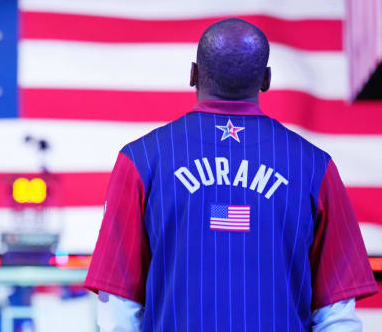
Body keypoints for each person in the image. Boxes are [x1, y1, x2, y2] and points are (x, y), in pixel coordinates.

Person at [84, 18, 378, 331]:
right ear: (266, 79)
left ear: (193, 74)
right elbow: (337, 317)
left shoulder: (140, 159)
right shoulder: (315, 166)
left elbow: (118, 310)